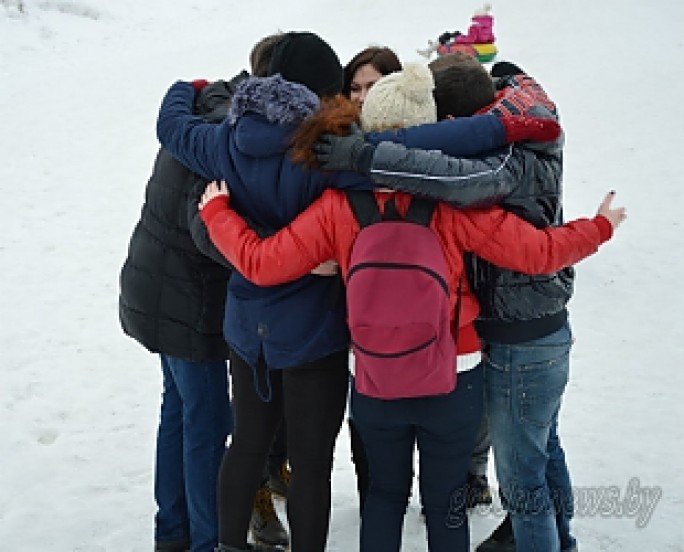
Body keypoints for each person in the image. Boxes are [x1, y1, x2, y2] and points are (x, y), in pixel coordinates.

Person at [194, 64, 626, 552]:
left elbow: (263, 263)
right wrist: (601, 227)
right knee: (445, 501)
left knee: (384, 495)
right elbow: (539, 253)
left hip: (377, 374)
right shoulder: (452, 201)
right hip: (454, 372)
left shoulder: (338, 206)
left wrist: (217, 214)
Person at [311, 55, 585, 552]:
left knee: (517, 470)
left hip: (500, 339)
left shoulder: (502, 161)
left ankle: (547, 539)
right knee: (515, 464)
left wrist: (362, 156)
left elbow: (268, 259)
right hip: (486, 346)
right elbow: (537, 248)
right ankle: (556, 538)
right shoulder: (510, 122)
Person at [118, 33, 289, 552]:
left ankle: (173, 531)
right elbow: (204, 227)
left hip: (156, 290)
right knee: (207, 424)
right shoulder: (224, 141)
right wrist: (276, 252)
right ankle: (208, 540)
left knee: (181, 412)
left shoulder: (209, 102)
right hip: (186, 305)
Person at [342, 44, 402, 516]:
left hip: (419, 302)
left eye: (374, 86)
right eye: (355, 88)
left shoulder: (425, 138)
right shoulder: (334, 140)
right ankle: (373, 498)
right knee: (365, 410)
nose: (363, 97)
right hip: (353, 307)